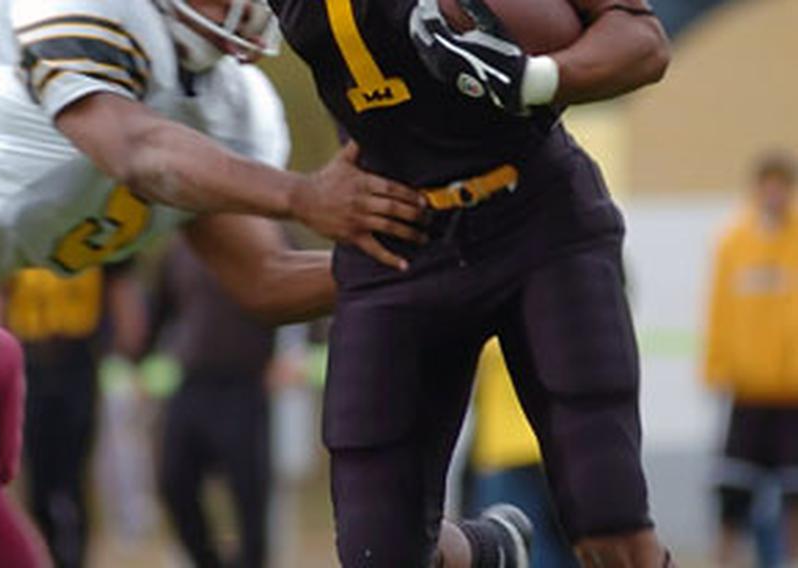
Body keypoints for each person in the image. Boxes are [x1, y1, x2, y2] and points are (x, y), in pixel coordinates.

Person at [0, 0, 429, 564]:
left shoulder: (231, 105)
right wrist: (299, 195)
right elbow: (137, 149)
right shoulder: (87, 12)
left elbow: (263, 280)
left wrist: (418, 264)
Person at [265, 0, 673, 565]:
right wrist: (299, 194)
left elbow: (643, 39)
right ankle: (489, 555)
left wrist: (529, 78)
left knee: (610, 520)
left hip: (536, 215)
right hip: (397, 231)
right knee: (377, 552)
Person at [150, 237, 292, 568]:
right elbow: (160, 312)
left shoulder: (269, 236)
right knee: (174, 480)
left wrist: (295, 355)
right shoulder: (182, 246)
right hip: (192, 383)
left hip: (245, 384)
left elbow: (306, 295)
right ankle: (207, 560)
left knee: (250, 495)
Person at [0, 263, 146, 568]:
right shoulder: (19, 235)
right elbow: (0, 295)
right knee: (38, 478)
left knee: (75, 476)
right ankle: (47, 553)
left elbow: (120, 288)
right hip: (30, 363)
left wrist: (129, 346)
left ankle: (76, 558)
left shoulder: (91, 236)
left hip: (78, 359)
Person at [704, 152, 798, 567]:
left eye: (782, 185)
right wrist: (717, 367)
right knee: (733, 498)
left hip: (793, 394)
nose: (774, 194)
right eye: (768, 184)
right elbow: (719, 307)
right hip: (747, 392)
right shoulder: (733, 243)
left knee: (794, 498)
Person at [469, 338, 577, 567]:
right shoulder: (558, 323)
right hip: (560, 445)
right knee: (571, 546)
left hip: (506, 452)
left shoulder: (479, 320)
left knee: (517, 550)